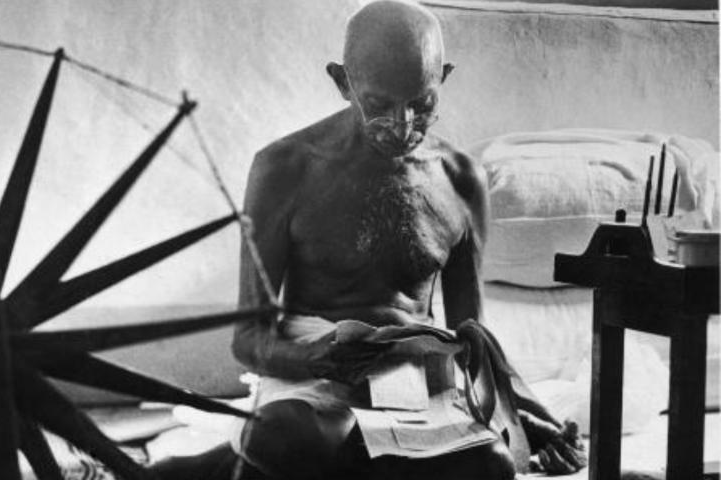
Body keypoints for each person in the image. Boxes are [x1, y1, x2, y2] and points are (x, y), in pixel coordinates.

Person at [151, 1, 585, 479]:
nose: (403, 127)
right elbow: (248, 338)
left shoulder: (463, 180)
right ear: (343, 83)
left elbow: (470, 335)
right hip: (311, 380)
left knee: (494, 468)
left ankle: (215, 469)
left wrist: (520, 418)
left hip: (413, 382)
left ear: (445, 78)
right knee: (286, 436)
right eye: (379, 106)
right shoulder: (285, 168)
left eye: (423, 105)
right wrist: (311, 357)